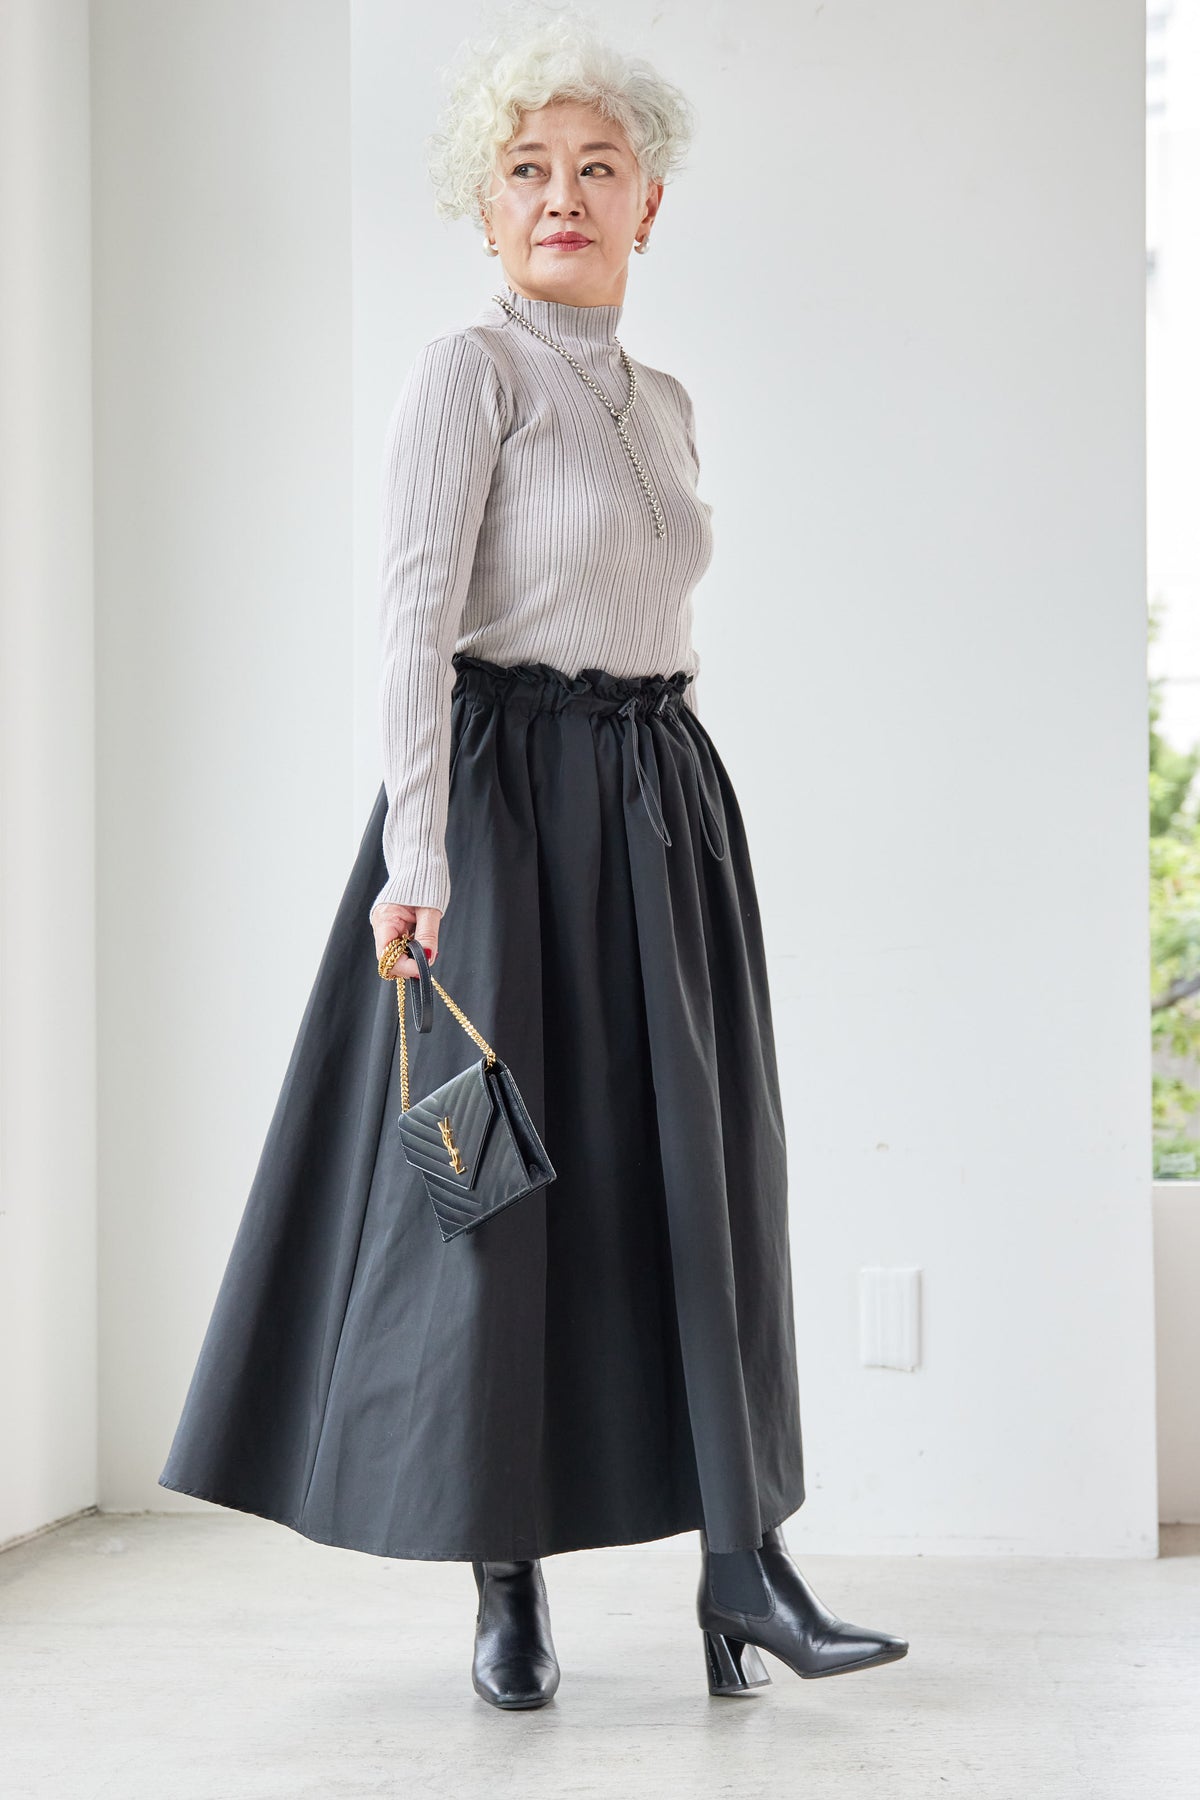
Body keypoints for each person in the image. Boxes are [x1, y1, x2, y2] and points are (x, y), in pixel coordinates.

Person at [158, 3, 908, 1708]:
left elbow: (650, 614)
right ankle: (506, 1582)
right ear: (485, 207)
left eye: (596, 166)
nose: (561, 194)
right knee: (496, 1201)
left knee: (704, 1190)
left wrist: (670, 802)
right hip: (501, 812)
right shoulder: (469, 373)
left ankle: (743, 1567)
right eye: (525, 169)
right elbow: (414, 624)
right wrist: (415, 860)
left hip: (660, 807)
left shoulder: (667, 399)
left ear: (651, 204)